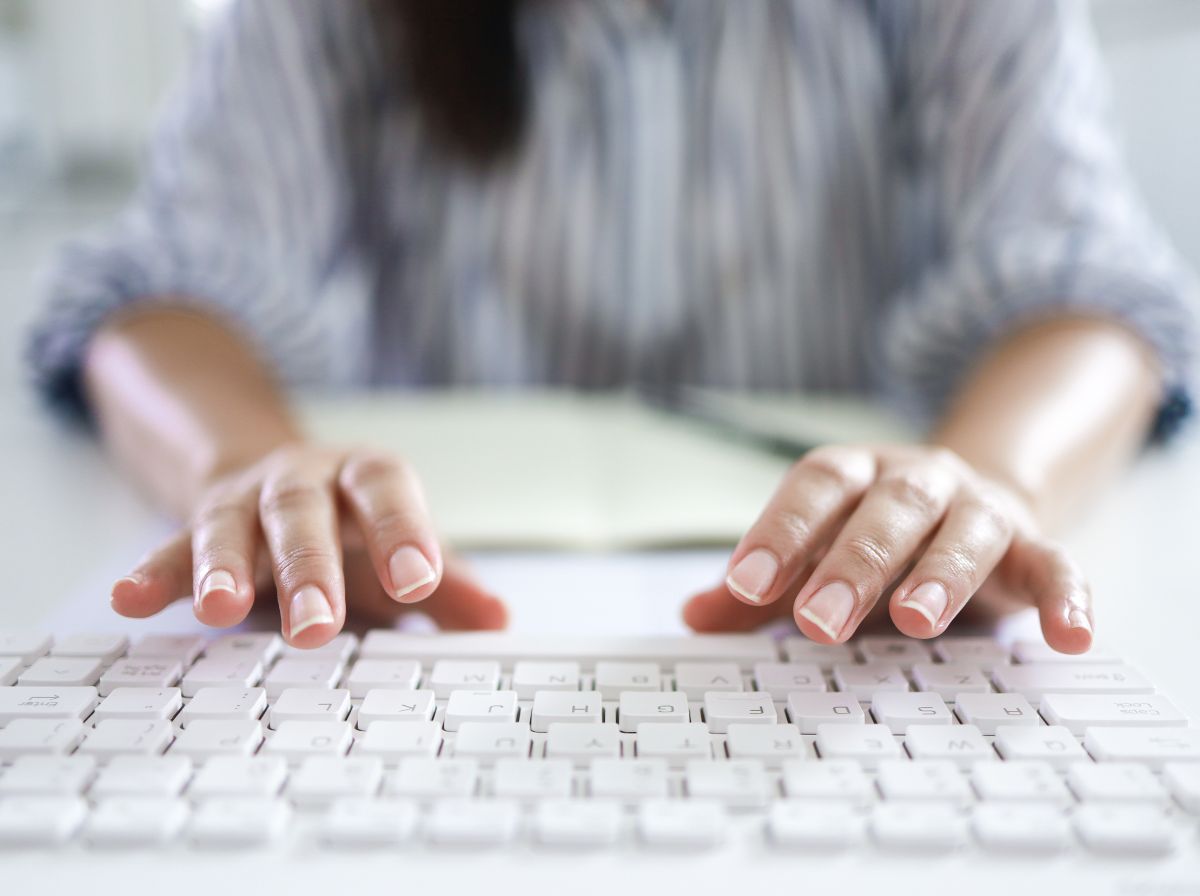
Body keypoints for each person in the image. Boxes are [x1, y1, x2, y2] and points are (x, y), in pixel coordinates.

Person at [27, 0, 1196, 651]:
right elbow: (153, 292)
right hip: (417, 603)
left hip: (846, 610)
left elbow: (1094, 288)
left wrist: (987, 479)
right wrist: (251, 470)